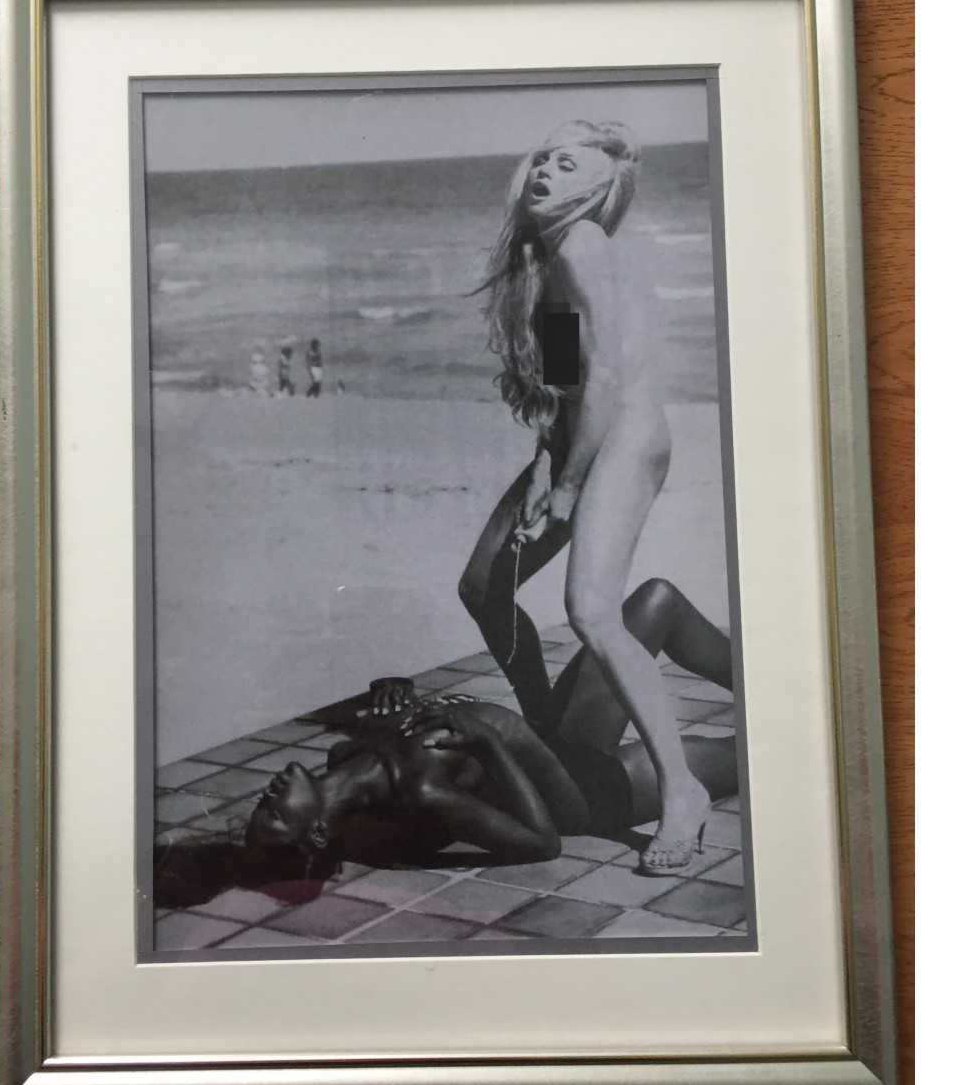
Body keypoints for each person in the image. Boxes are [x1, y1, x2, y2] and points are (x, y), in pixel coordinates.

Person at [458, 120, 712, 873]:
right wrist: (547, 461)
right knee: (485, 585)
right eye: (545, 159)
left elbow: (604, 379)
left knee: (592, 610)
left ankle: (683, 792)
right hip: (583, 433)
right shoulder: (547, 254)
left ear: (600, 191)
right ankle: (548, 728)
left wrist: (569, 485)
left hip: (625, 438)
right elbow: (570, 379)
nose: (547, 170)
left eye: (570, 166)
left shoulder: (583, 246)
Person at [240, 577, 734, 874]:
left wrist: (392, 688)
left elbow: (406, 720)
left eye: (263, 806)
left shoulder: (345, 756)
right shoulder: (420, 791)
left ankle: (765, 680)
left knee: (657, 600)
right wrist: (487, 742)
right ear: (318, 833)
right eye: (278, 815)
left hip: (556, 737)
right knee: (754, 753)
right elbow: (543, 843)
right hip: (589, 793)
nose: (270, 796)